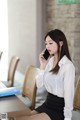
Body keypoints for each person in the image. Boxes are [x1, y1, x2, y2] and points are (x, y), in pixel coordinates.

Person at [16, 29, 75, 120]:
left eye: (50, 43)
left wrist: (67, 118)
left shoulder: (68, 66)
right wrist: (42, 66)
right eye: (46, 43)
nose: (47, 46)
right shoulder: (50, 61)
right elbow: (39, 86)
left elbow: (69, 95)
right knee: (14, 117)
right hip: (47, 103)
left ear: (61, 43)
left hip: (58, 110)